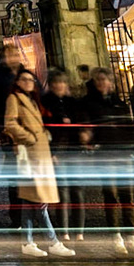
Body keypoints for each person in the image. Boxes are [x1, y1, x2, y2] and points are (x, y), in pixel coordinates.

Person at [3, 70, 72, 258]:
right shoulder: (14, 99)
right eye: (24, 79)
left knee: (29, 201)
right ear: (17, 82)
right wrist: (31, 137)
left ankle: (28, 242)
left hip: (39, 155)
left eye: (31, 79)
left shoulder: (31, 100)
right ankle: (53, 242)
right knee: (40, 202)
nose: (28, 82)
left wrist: (43, 135)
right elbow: (10, 124)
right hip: (32, 154)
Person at [83, 69, 134, 256]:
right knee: (110, 195)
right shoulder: (90, 104)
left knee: (128, 196)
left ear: (111, 82)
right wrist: (88, 138)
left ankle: (132, 237)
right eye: (98, 80)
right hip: (105, 154)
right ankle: (116, 236)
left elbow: (129, 128)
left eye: (105, 79)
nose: (101, 83)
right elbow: (87, 125)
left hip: (123, 154)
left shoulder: (120, 104)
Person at [43, 68, 89, 242]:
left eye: (62, 82)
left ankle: (79, 231)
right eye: (56, 82)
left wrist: (83, 133)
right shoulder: (45, 103)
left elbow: (82, 123)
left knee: (77, 191)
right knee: (62, 193)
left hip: (74, 151)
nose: (59, 85)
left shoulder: (72, 102)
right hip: (57, 153)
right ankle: (64, 231)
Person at [0, 44, 25, 228]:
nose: (14, 57)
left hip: (30, 132)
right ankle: (17, 217)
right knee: (15, 177)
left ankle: (35, 215)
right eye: (10, 54)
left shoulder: (27, 75)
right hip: (9, 132)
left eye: (16, 53)